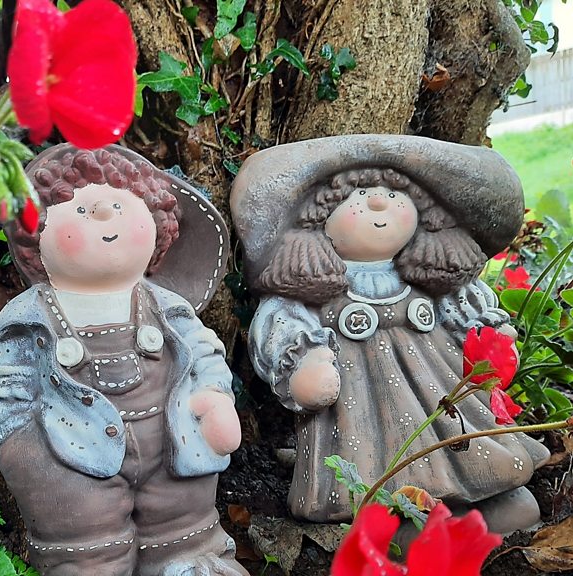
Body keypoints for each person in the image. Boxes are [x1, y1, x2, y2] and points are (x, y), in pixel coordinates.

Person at [231, 135, 550, 533]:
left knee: (472, 450)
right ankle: (397, 519)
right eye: (358, 194)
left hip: (443, 397)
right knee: (373, 468)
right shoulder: (315, 293)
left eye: (396, 194)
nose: (379, 203)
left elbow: (466, 311)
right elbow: (283, 323)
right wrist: (305, 365)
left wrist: (491, 339)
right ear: (316, 219)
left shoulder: (428, 282)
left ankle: (489, 490)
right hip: (359, 408)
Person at [0, 144, 249, 576]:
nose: (106, 215)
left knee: (184, 525)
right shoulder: (30, 315)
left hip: (173, 441)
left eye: (122, 207)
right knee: (85, 542)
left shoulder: (166, 306)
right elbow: (6, 381)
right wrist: (20, 445)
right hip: (72, 452)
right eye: (81, 210)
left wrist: (214, 396)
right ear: (37, 238)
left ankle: (190, 559)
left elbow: (204, 351)